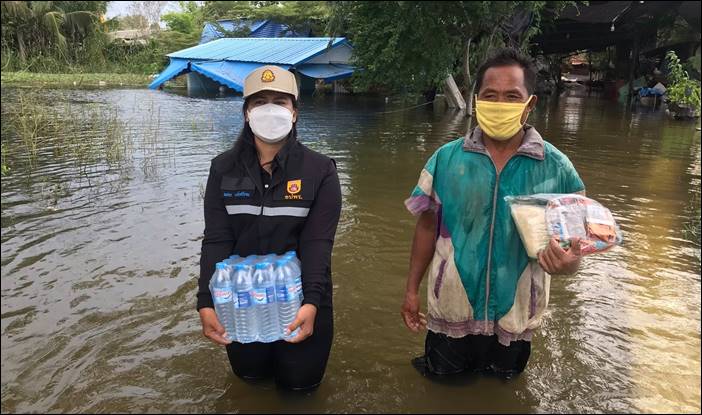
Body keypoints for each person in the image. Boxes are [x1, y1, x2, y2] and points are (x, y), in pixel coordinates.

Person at [401, 48, 586, 378]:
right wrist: (411, 291)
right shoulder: (444, 160)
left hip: (514, 319)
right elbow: (427, 229)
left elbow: (574, 249)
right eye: (490, 95)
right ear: (476, 100)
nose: (500, 104)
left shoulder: (559, 171)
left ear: (530, 104)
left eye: (512, 96)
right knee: (441, 385)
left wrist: (569, 263)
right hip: (452, 310)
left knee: (502, 386)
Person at [197, 65, 342, 390]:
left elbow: (318, 244)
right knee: (250, 381)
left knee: (299, 388)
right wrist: (205, 301)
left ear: (294, 113)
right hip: (242, 302)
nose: (270, 109)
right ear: (247, 112)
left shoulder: (321, 172)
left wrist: (311, 302)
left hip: (302, 299)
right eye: (260, 101)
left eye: (280, 101)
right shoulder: (223, 169)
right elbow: (217, 240)